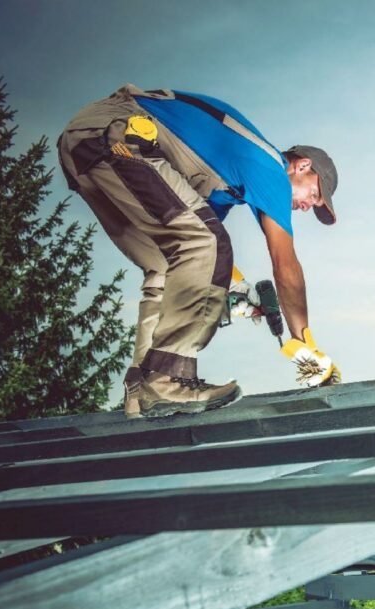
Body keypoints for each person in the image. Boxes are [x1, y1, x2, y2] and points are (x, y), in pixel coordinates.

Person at [57, 84, 339, 419]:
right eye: (315, 195)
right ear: (302, 166)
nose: (309, 206)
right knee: (206, 242)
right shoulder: (269, 167)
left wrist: (237, 290)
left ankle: (141, 392)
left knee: (168, 263)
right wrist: (304, 341)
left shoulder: (229, 183)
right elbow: (285, 266)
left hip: (85, 146)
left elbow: (192, 259)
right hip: (118, 133)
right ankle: (168, 379)